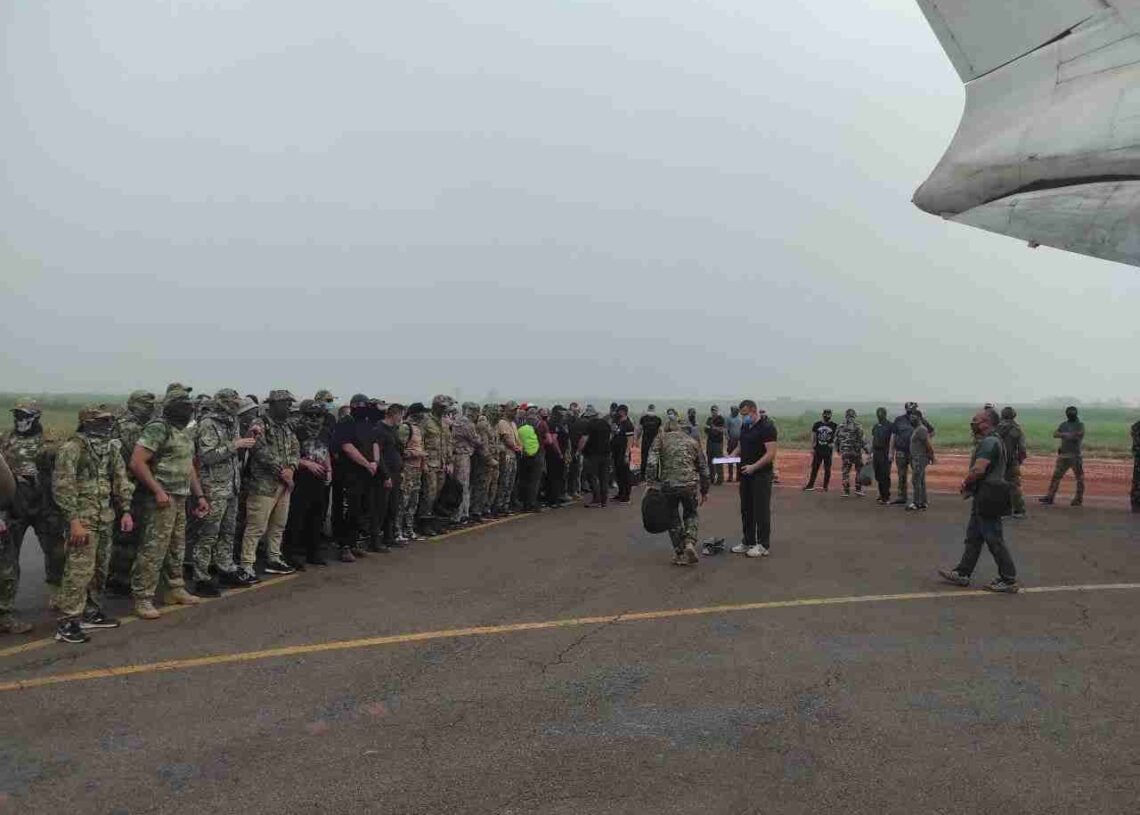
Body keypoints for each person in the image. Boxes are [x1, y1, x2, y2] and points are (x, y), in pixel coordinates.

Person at [51, 405, 136, 644]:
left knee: (100, 569)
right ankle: (67, 621)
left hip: (105, 517)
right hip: (83, 520)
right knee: (78, 572)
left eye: (109, 420)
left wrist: (126, 510)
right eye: (101, 420)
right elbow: (63, 487)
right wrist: (74, 522)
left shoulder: (109, 447)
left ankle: (91, 611)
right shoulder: (72, 448)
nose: (107, 424)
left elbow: (120, 479)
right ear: (87, 422)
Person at [129, 384, 210, 619]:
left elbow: (188, 467)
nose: (189, 410)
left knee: (176, 545)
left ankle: (174, 589)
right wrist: (157, 490)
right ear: (172, 407)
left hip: (180, 495)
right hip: (161, 499)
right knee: (153, 549)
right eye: (184, 406)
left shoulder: (183, 431)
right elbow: (138, 462)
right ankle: (143, 597)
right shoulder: (158, 428)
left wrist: (200, 495)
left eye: (190, 406)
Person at [938, 411, 1020, 593]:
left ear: (986, 423)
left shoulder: (989, 442)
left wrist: (965, 483)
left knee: (994, 538)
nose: (972, 423)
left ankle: (1008, 579)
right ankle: (962, 573)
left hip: (989, 495)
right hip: (985, 494)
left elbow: (979, 469)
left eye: (975, 420)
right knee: (974, 538)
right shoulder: (993, 440)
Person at [0, 400, 65, 614]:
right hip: (15, 501)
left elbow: (63, 469)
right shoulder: (5, 438)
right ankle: (6, 606)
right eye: (17, 414)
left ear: (36, 417)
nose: (20, 419)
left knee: (55, 551)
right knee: (8, 555)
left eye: (25, 415)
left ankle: (57, 594)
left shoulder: (49, 440)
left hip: (44, 501)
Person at [189, 389, 253, 595]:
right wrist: (235, 445)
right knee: (208, 533)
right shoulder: (208, 424)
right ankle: (201, 576)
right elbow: (207, 456)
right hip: (213, 488)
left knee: (228, 531)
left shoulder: (231, 421)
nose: (237, 406)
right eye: (234, 402)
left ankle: (225, 568)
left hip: (231, 485)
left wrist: (245, 441)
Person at [237, 389, 300, 579]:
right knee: (256, 526)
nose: (288, 406)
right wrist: (283, 471)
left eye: (290, 403)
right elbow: (259, 449)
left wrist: (292, 467)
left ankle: (274, 558)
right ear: (273, 404)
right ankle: (246, 564)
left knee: (278, 525)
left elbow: (295, 448)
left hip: (283, 485)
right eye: (285, 403)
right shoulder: (260, 423)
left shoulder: (286, 427)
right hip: (263, 485)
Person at [645, 413, 710, 566]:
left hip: (668, 486)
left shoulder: (660, 439)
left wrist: (651, 482)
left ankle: (680, 553)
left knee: (672, 517)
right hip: (690, 485)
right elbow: (703, 467)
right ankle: (689, 543)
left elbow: (652, 463)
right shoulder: (692, 442)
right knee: (691, 513)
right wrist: (704, 491)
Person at [284, 399, 334, 567]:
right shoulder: (295, 430)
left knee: (317, 515)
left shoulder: (325, 431)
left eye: (318, 415)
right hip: (300, 476)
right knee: (296, 517)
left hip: (319, 477)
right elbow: (286, 455)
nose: (315, 419)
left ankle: (314, 552)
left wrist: (329, 469)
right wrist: (306, 463)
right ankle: (290, 553)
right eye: (310, 415)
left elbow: (325, 451)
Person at [334, 394, 384, 558]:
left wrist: (375, 462)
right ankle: (344, 547)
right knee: (350, 510)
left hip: (367, 474)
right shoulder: (346, 422)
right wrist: (366, 463)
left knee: (363, 509)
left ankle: (354, 543)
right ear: (354, 406)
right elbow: (347, 447)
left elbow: (375, 443)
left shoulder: (368, 423)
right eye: (363, 405)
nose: (365, 408)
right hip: (350, 474)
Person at [730, 401, 778, 558]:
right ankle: (748, 541)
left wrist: (754, 467)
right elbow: (741, 445)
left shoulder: (767, 427)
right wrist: (732, 455)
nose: (743, 417)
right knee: (746, 509)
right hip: (746, 474)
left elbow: (771, 453)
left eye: (745, 414)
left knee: (761, 510)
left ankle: (763, 545)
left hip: (761, 475)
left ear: (753, 411)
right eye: (741, 415)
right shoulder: (745, 426)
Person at [417, 395, 454, 535]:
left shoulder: (444, 423)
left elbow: (448, 443)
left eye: (444, 407)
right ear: (435, 406)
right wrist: (423, 463)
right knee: (429, 494)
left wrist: (449, 461)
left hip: (442, 464)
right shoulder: (426, 422)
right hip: (430, 463)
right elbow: (420, 443)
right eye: (441, 407)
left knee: (438, 494)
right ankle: (423, 522)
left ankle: (433, 521)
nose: (443, 410)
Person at [887, 402, 935, 505]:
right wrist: (891, 451)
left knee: (918, 477)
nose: (912, 410)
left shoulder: (920, 420)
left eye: (914, 408)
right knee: (901, 475)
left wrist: (924, 442)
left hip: (915, 453)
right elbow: (893, 436)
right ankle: (902, 497)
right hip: (901, 451)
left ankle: (920, 499)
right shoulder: (899, 420)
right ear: (907, 409)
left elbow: (931, 432)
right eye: (911, 408)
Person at [372, 403, 405, 548]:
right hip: (385, 473)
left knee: (393, 506)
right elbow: (379, 456)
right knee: (380, 508)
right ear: (394, 414)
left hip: (396, 472)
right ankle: (375, 540)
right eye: (400, 415)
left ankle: (389, 537)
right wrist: (385, 475)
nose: (401, 418)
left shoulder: (393, 430)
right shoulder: (379, 430)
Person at [1040, 406, 1085, 507]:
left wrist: (1064, 435)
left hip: (1074, 455)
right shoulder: (1064, 424)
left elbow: (1079, 434)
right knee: (1056, 477)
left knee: (1079, 479)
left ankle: (1078, 499)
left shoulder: (1080, 425)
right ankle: (1050, 497)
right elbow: (1055, 434)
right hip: (1064, 455)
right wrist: (1068, 435)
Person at [397, 403, 427, 540]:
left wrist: (422, 462)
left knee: (413, 501)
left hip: (417, 470)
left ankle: (409, 529)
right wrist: (416, 453)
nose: (424, 416)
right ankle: (397, 531)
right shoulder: (405, 428)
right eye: (422, 413)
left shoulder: (418, 429)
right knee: (403, 500)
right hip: (407, 469)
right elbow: (399, 450)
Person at [450, 403, 483, 525]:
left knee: (465, 486)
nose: (477, 414)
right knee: (462, 486)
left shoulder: (464, 422)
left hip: (463, 455)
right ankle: (458, 516)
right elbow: (476, 440)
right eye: (475, 411)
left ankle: (463, 514)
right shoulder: (465, 423)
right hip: (461, 455)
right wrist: (480, 439)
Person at [578, 405, 612, 508]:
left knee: (591, 476)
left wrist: (578, 451)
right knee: (604, 477)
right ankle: (604, 501)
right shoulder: (605, 424)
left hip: (592, 454)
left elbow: (584, 439)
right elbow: (610, 437)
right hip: (606, 454)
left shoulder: (589, 425)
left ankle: (596, 498)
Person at [998, 407, 1028, 520]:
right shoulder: (1016, 429)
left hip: (998, 461)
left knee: (999, 485)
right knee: (1014, 486)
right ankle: (1019, 510)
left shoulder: (996, 428)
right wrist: (1019, 461)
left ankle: (1004, 510)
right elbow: (1022, 448)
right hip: (1011, 460)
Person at [494, 401, 522, 515]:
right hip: (506, 455)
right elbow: (507, 439)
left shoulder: (513, 424)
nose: (515, 412)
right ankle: (499, 505)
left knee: (511, 481)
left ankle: (506, 504)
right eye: (513, 410)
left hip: (513, 454)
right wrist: (516, 447)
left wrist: (519, 447)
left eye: (516, 410)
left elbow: (517, 438)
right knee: (504, 481)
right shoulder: (502, 423)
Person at [476, 404, 501, 519]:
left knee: (493, 485)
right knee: (483, 486)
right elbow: (483, 446)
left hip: (495, 459)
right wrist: (489, 459)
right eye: (496, 411)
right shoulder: (483, 425)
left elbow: (496, 442)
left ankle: (487, 508)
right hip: (485, 462)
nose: (499, 413)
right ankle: (477, 510)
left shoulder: (495, 425)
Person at [803, 409, 837, 492]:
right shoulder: (817, 424)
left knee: (827, 469)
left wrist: (834, 443)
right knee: (814, 468)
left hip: (828, 450)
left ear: (830, 416)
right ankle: (810, 485)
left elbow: (837, 436)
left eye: (828, 415)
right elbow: (813, 436)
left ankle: (825, 486)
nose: (827, 417)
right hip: (818, 449)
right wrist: (812, 447)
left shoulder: (834, 425)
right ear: (823, 415)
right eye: (825, 415)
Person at [836, 409, 867, 498]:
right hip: (855, 452)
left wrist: (838, 449)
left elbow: (836, 439)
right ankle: (858, 489)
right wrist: (866, 450)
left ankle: (846, 491)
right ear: (854, 416)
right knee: (859, 470)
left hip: (845, 452)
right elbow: (862, 439)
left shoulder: (840, 426)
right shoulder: (858, 426)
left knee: (845, 471)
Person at [516, 409, 543, 512]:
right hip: (536, 456)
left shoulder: (520, 428)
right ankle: (531, 503)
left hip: (524, 457)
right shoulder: (538, 428)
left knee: (524, 480)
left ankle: (523, 503)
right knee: (534, 481)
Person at [906, 411, 934, 510]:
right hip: (918, 458)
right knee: (920, 481)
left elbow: (928, 445)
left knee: (915, 480)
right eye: (911, 417)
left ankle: (916, 503)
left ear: (919, 418)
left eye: (914, 417)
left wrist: (931, 456)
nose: (912, 419)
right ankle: (923, 502)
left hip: (920, 458)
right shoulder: (918, 429)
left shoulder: (921, 430)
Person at [611, 405, 635, 503]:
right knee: (618, 473)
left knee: (625, 474)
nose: (617, 413)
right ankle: (620, 493)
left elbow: (630, 440)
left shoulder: (628, 424)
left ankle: (626, 495)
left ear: (623, 412)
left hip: (623, 452)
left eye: (619, 411)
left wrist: (626, 454)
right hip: (616, 451)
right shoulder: (618, 423)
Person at [870, 407, 893, 505]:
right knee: (878, 475)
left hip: (885, 452)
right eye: (878, 414)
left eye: (881, 413)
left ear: (885, 414)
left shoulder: (890, 426)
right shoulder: (875, 426)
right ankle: (881, 494)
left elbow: (893, 440)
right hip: (876, 452)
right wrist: (870, 453)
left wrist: (891, 453)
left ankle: (886, 496)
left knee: (885, 475)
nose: (880, 415)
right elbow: (873, 439)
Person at [636, 405, 662, 485]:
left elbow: (660, 431)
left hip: (654, 442)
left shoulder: (658, 419)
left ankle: (655, 477)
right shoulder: (643, 419)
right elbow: (640, 429)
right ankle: (643, 476)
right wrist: (637, 439)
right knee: (644, 459)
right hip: (646, 442)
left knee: (655, 459)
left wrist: (661, 441)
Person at [566, 403, 586, 498]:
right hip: (570, 448)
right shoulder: (567, 421)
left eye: (577, 411)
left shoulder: (578, 422)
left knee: (575, 471)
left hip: (574, 448)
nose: (575, 413)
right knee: (572, 471)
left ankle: (573, 490)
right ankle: (571, 491)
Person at [704, 406, 726, 486]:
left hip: (718, 442)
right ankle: (712, 478)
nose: (714, 412)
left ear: (717, 411)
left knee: (718, 460)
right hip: (710, 442)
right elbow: (706, 430)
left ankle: (720, 479)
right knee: (710, 460)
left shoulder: (720, 419)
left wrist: (713, 428)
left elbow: (722, 430)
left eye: (715, 410)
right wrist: (713, 429)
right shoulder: (709, 419)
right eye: (712, 410)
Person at [724, 406, 742, 483]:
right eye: (736, 411)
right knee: (731, 458)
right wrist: (728, 438)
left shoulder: (740, 418)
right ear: (732, 411)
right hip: (731, 441)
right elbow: (726, 429)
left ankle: (738, 476)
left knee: (739, 458)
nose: (737, 412)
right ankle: (730, 476)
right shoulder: (728, 418)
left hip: (739, 440)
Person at [1131, 416, 1140, 513]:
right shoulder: (1137, 426)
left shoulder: (1136, 426)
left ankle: (1136, 504)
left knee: (1137, 482)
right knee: (1137, 482)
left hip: (1138, 457)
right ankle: (1136, 504)